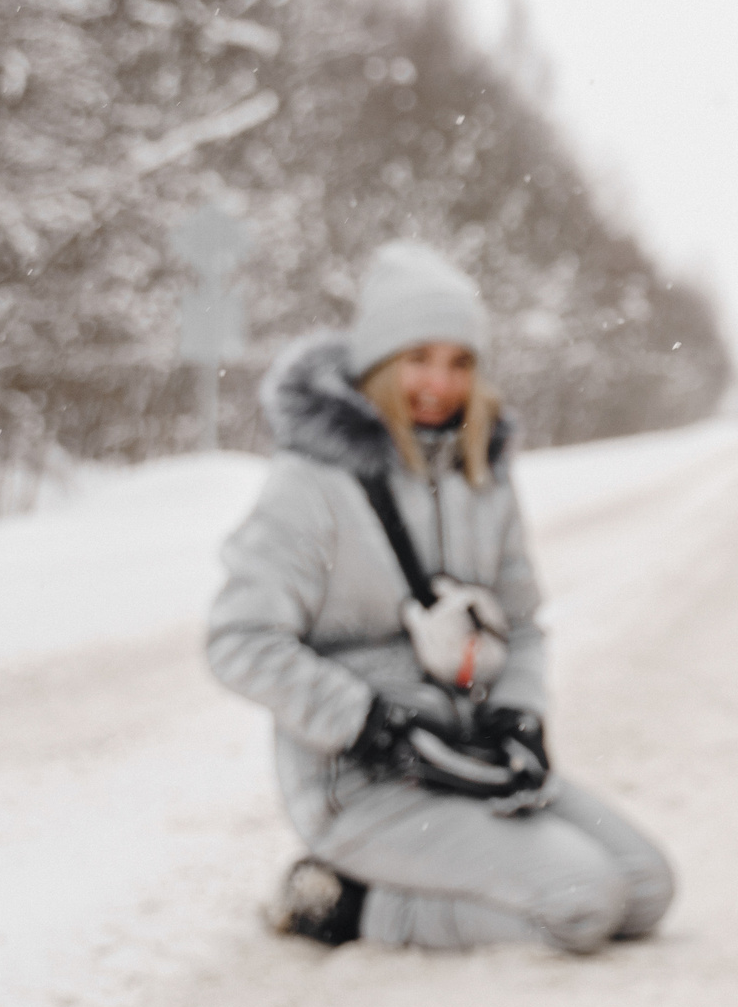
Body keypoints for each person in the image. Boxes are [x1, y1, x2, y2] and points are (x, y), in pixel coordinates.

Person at [207, 241, 674, 953]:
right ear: (378, 362)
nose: (439, 382)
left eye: (460, 362)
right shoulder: (311, 483)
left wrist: (520, 711)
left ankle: (431, 877)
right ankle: (347, 901)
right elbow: (237, 640)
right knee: (584, 903)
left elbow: (521, 621)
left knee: (646, 889)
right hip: (362, 780)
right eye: (418, 358)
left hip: (468, 756)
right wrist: (366, 720)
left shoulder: (480, 466)